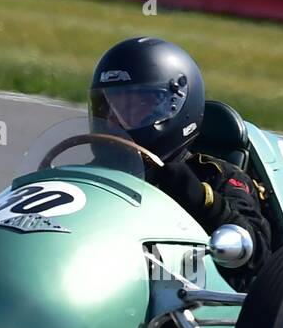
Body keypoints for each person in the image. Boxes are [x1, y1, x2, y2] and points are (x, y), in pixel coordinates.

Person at [87, 37, 271, 282]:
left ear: (175, 106)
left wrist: (201, 199)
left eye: (133, 105)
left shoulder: (215, 175)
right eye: (106, 107)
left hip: (182, 299)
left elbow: (256, 255)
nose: (114, 120)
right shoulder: (91, 176)